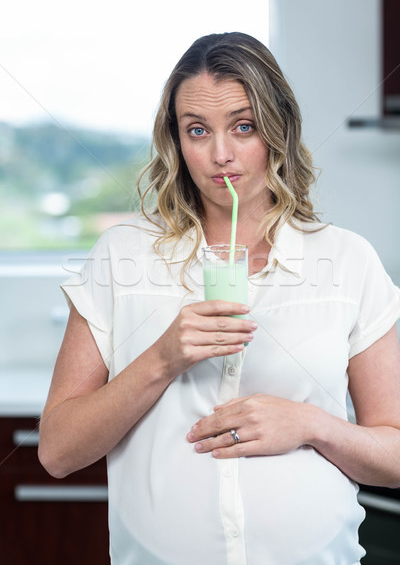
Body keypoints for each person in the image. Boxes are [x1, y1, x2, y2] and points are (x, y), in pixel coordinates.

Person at [38, 32, 400, 565]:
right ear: (177, 141)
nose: (220, 154)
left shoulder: (349, 261)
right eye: (197, 130)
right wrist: (163, 359)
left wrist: (311, 425)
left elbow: (393, 455)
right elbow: (58, 452)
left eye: (243, 126)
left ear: (278, 130)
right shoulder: (123, 256)